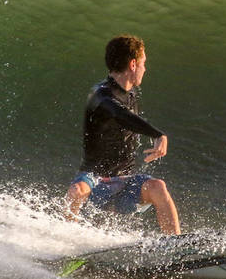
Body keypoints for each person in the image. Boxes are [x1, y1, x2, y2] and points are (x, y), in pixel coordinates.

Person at [65, 35, 181, 235]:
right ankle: (65, 241)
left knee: (158, 187)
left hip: (126, 184)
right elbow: (119, 114)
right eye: (144, 63)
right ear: (133, 64)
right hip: (95, 183)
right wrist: (157, 135)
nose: (146, 68)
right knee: (77, 191)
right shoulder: (100, 94)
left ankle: (177, 246)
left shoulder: (131, 94)